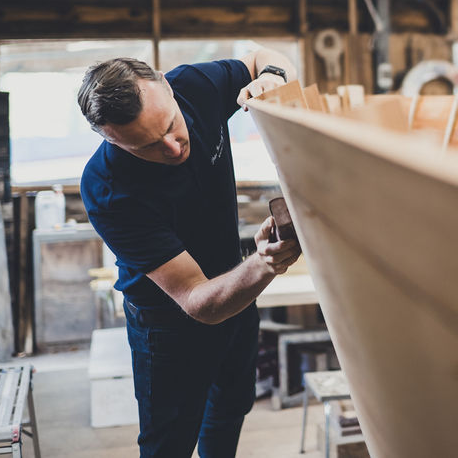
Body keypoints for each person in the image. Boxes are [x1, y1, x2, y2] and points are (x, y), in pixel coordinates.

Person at [77, 48, 302, 457]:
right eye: (146, 146)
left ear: (166, 85)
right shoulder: (107, 189)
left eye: (170, 125)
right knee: (169, 443)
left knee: (231, 406)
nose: (172, 147)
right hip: (169, 325)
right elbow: (199, 302)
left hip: (236, 291)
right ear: (110, 139)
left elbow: (261, 57)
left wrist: (273, 77)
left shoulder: (194, 86)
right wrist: (265, 262)